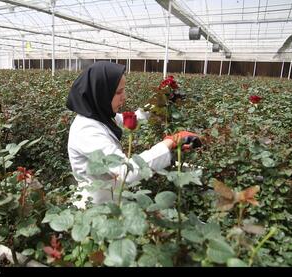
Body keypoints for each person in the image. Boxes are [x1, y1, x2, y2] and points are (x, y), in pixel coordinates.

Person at [66, 61, 199, 208]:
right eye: (118, 92)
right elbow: (126, 170)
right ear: (100, 93)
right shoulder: (87, 131)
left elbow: (128, 120)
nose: (124, 97)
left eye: (124, 90)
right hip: (95, 209)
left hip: (112, 199)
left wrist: (158, 103)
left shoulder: (99, 115)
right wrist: (170, 142)